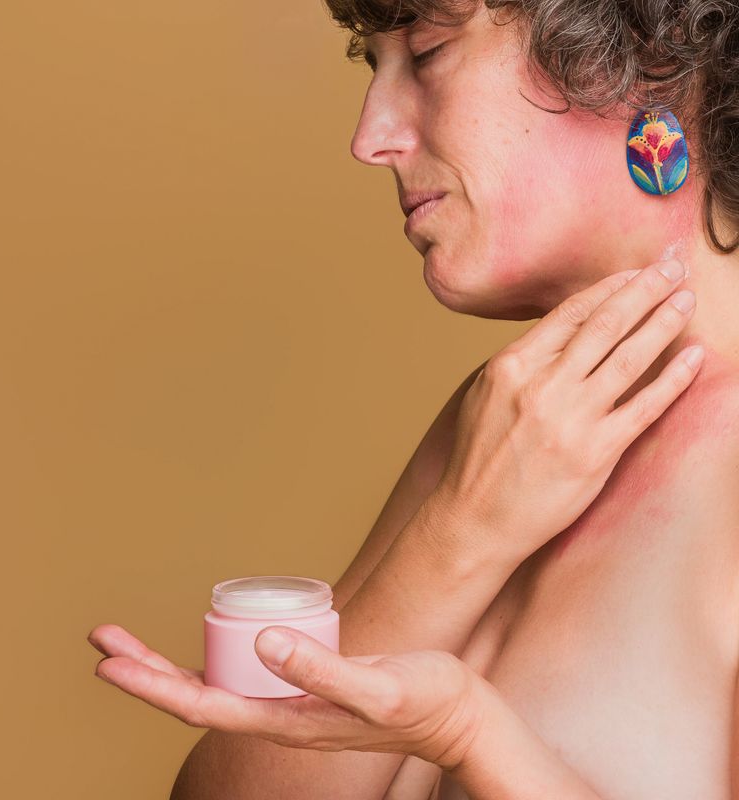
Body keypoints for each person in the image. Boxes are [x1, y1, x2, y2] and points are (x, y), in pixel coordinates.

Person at [87, 2, 739, 797]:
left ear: (638, 58)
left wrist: (469, 733)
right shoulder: (508, 418)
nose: (370, 139)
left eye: (426, 53)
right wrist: (460, 537)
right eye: (374, 66)